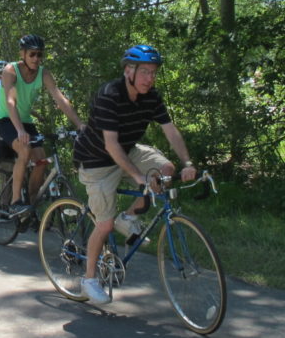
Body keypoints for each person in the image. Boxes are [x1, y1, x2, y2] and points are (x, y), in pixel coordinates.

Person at [72, 45, 197, 304]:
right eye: (144, 72)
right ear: (128, 70)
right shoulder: (109, 95)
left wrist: (187, 162)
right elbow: (111, 145)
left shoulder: (152, 97)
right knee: (104, 224)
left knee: (165, 170)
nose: (149, 78)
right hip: (96, 160)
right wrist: (139, 177)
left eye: (153, 73)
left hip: (128, 149)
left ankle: (128, 217)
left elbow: (170, 130)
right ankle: (89, 280)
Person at [0, 34, 85, 216]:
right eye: (32, 54)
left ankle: (32, 202)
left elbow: (59, 98)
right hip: (6, 119)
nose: (36, 59)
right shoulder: (10, 70)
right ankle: (15, 201)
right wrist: (19, 130)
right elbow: (10, 101)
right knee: (25, 149)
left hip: (26, 120)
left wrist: (79, 124)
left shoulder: (43, 73)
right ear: (23, 54)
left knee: (42, 161)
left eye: (40, 55)